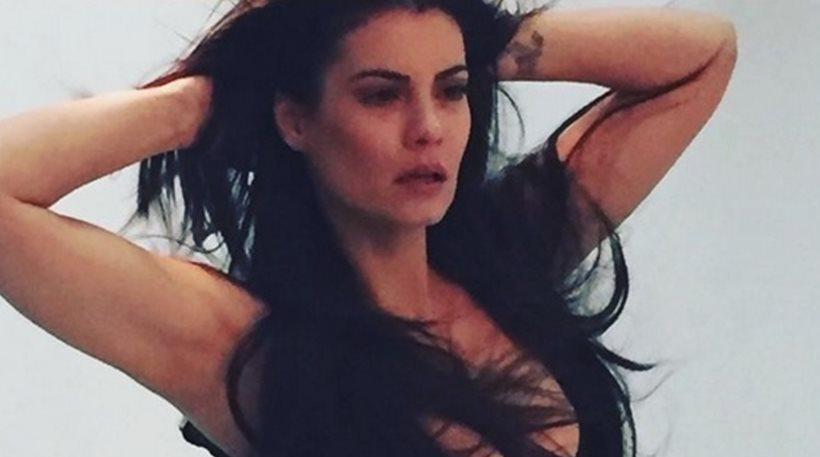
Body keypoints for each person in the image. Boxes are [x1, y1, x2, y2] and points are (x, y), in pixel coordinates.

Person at [0, 0, 737, 456]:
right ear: (296, 119)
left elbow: (703, 54)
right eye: (382, 95)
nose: (428, 129)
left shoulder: (509, 253)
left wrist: (477, 36)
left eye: (451, 91)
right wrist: (206, 99)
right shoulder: (247, 346)